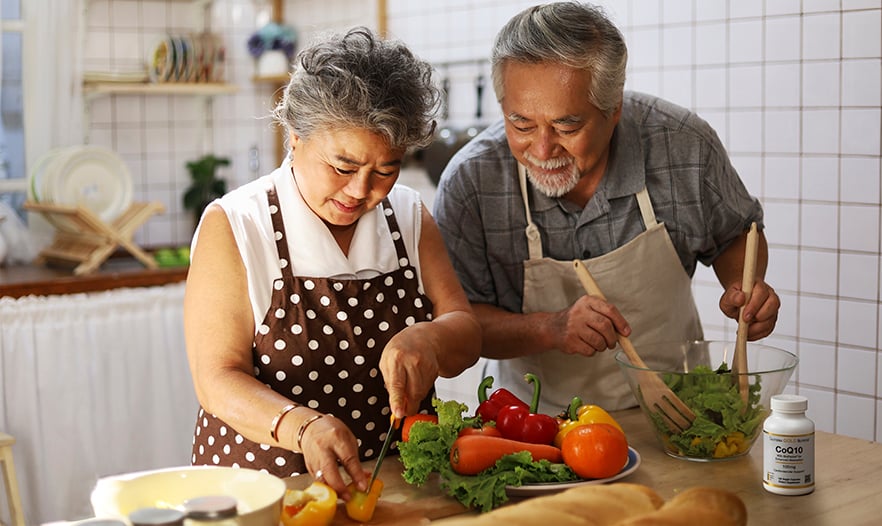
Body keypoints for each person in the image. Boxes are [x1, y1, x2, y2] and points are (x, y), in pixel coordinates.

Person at [432, 2, 780, 416]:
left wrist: (745, 289)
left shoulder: (681, 145)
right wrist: (551, 328)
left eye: (567, 126)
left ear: (613, 109)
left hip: (677, 415)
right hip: (536, 427)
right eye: (521, 124)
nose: (542, 150)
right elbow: (460, 324)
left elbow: (735, 234)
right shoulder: (472, 182)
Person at [184, 26, 481, 500]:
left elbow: (466, 332)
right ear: (295, 136)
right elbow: (216, 378)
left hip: (393, 489)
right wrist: (301, 427)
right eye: (342, 167)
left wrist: (431, 336)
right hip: (264, 493)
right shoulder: (238, 225)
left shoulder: (407, 215)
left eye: (386, 169)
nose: (362, 190)